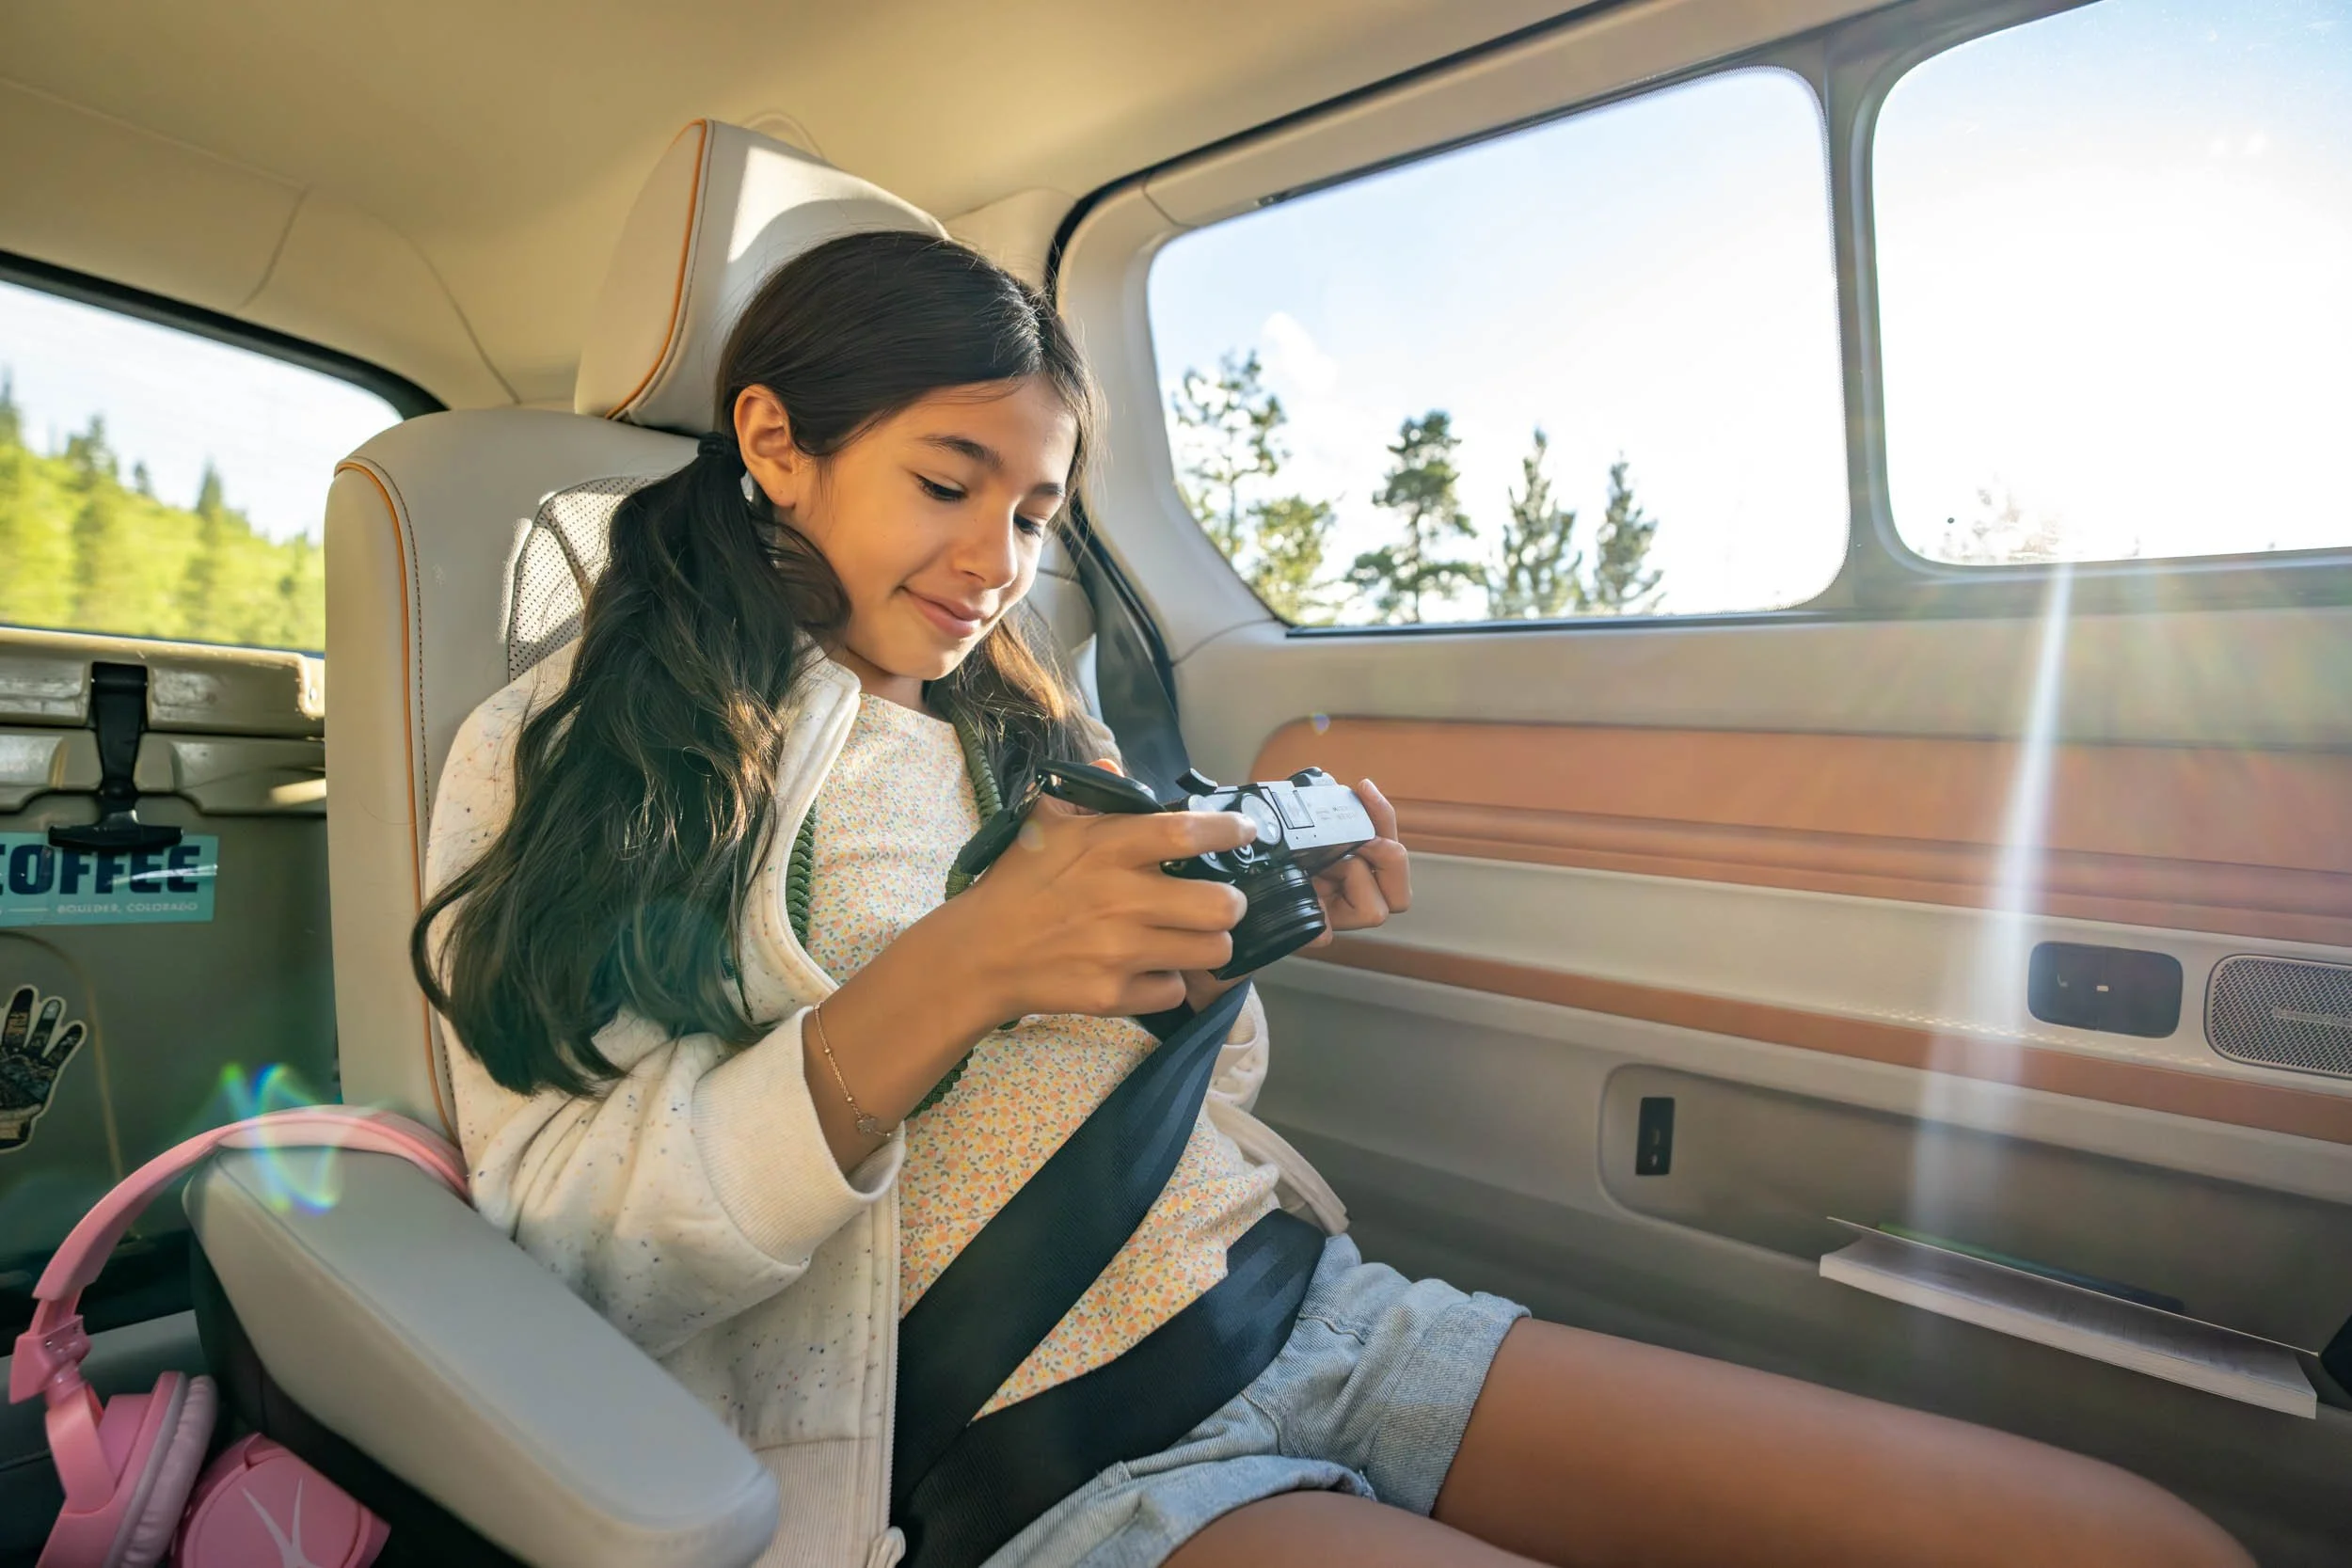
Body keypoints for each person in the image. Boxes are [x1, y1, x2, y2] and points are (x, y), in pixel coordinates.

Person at [414, 230, 2249, 1568]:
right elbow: (578, 1242)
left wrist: (1232, 925)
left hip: (1317, 1318)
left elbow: (1158, 1091)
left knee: (2128, 1539)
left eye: (1038, 510)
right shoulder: (582, 752)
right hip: (1036, 1456)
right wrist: (964, 965)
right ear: (775, 438)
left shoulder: (1027, 716)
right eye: (946, 481)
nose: (997, 561)